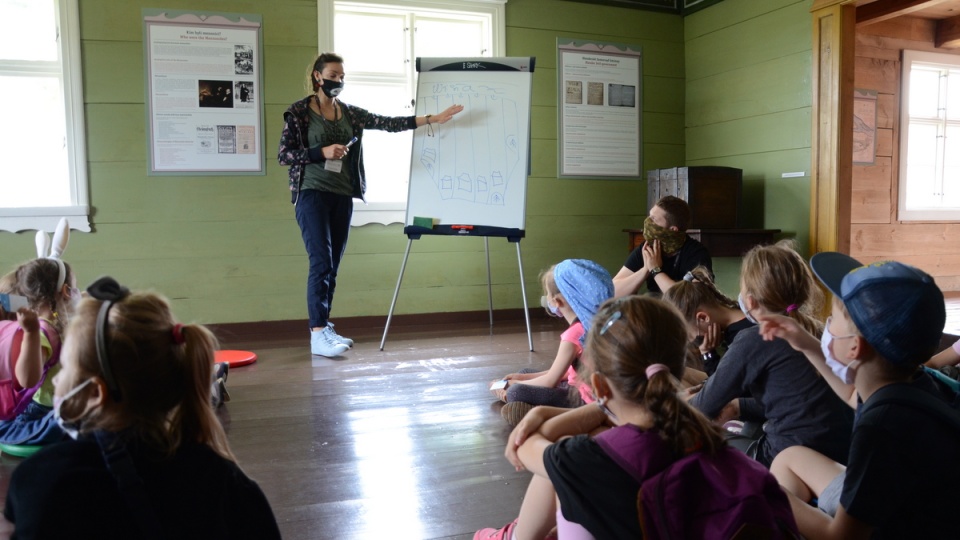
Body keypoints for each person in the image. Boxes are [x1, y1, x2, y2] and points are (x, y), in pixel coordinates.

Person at [475, 296, 797, 540]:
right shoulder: (729, 458)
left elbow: (526, 445)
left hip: (595, 465)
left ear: (598, 385)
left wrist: (545, 413)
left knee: (556, 477)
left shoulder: (586, 459)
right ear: (680, 371)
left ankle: (514, 534)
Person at [2, 277, 281, 539]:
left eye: (66, 368)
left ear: (96, 393)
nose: (59, 378)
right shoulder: (227, 481)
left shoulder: (41, 481)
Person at [278, 52, 464, 357]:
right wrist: (321, 151)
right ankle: (316, 333)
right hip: (311, 193)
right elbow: (285, 155)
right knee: (321, 262)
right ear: (317, 76)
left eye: (341, 76)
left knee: (333, 265)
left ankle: (324, 326)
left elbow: (388, 123)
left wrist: (432, 119)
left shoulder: (350, 114)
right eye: (332, 75)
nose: (337, 80)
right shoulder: (299, 112)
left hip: (342, 194)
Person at [763, 254, 960, 539]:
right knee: (790, 458)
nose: (827, 326)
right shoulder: (914, 383)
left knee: (768, 492)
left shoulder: (881, 429)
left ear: (855, 347)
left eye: (832, 320)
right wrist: (805, 343)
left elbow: (842, 536)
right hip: (909, 501)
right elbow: (854, 393)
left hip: (887, 527)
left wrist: (767, 490)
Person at [685, 242, 854, 467]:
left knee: (701, 442)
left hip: (787, 455)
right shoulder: (817, 331)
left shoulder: (754, 338)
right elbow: (795, 400)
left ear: (751, 301)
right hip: (840, 453)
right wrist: (739, 406)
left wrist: (676, 401)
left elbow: (702, 409)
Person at [490, 259, 613, 426]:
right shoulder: (597, 324)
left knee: (516, 392)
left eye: (547, 293)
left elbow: (551, 381)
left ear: (557, 301)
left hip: (585, 401)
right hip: (585, 387)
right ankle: (530, 408)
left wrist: (512, 384)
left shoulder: (575, 333)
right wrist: (523, 377)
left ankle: (552, 415)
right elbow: (567, 372)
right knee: (524, 372)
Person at [0, 257, 78, 445]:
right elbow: (27, 380)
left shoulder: (58, 324)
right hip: (35, 414)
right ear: (67, 291)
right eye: (75, 288)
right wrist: (31, 332)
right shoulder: (43, 330)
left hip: (54, 403)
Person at [612, 195, 712, 297]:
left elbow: (692, 299)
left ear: (673, 229)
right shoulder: (648, 249)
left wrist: (655, 270)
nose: (647, 222)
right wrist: (646, 269)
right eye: (649, 217)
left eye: (654, 220)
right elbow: (612, 292)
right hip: (654, 306)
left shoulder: (696, 253)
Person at [663, 265, 753, 376]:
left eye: (693, 337)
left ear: (703, 318)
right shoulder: (744, 317)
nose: (695, 342)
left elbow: (723, 386)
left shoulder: (741, 338)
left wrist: (707, 353)